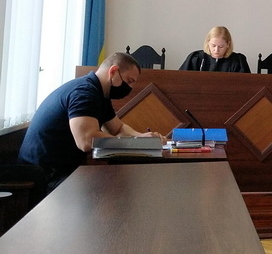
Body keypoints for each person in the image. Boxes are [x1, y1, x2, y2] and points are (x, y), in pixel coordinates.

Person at [18, 52, 166, 191]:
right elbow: (87, 141)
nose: (130, 88)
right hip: (45, 175)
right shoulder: (84, 93)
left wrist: (141, 138)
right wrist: (134, 144)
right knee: (113, 189)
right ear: (113, 71)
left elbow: (118, 128)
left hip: (59, 170)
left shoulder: (100, 93)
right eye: (129, 81)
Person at [179, 25, 250, 72]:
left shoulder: (238, 61)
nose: (216, 50)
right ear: (208, 42)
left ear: (228, 44)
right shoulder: (196, 58)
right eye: (213, 45)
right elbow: (181, 80)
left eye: (221, 46)